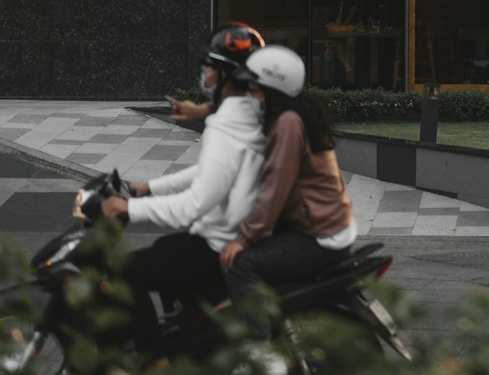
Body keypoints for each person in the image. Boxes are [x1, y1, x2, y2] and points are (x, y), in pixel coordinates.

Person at [100, 23, 267, 355]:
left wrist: (129, 208)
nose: (203, 75)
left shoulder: (226, 125)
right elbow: (209, 172)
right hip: (239, 235)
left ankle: (155, 361)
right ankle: (187, 339)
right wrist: (148, 187)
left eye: (208, 67)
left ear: (225, 74)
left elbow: (197, 202)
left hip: (221, 244)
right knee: (167, 248)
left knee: (122, 275)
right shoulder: (249, 113)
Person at [219, 44, 356, 330]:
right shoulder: (299, 113)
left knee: (242, 264)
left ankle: (259, 354)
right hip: (326, 224)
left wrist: (244, 237)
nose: (252, 95)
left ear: (272, 89)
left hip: (320, 234)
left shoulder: (288, 123)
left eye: (255, 89)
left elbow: (275, 187)